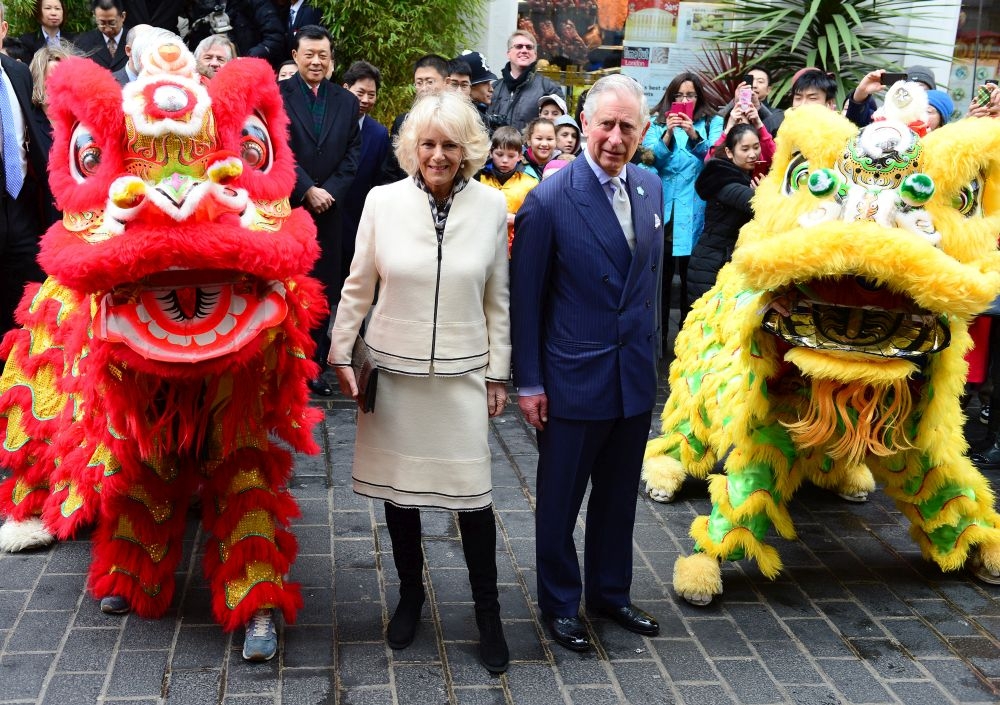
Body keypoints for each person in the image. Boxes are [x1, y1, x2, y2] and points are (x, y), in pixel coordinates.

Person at [329, 90, 511, 674]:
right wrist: (339, 352)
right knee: (400, 496)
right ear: (412, 146)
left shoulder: (490, 206)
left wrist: (498, 372)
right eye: (428, 143)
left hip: (461, 373)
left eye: (450, 144)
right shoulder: (382, 202)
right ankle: (411, 596)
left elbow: (497, 300)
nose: (438, 155)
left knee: (474, 502)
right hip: (394, 373)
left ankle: (489, 615)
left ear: (467, 150)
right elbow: (358, 285)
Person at [510, 74, 663, 653]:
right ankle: (559, 602)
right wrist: (529, 382)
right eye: (606, 124)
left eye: (628, 126)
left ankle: (609, 592)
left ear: (642, 130)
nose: (616, 138)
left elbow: (646, 284)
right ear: (584, 126)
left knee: (619, 498)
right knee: (559, 502)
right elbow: (526, 301)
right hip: (573, 377)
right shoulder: (549, 199)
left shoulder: (650, 187)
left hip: (631, 377)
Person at [279, 24, 361, 395]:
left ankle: (314, 366)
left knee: (324, 292)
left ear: (331, 59)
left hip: (330, 212)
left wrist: (327, 191)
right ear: (295, 56)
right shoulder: (276, 97)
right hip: (289, 211)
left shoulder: (346, 102)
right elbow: (276, 149)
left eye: (322, 55)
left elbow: (352, 155)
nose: (316, 61)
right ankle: (284, 366)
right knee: (288, 288)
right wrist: (306, 188)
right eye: (308, 54)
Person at [640, 72, 719, 342]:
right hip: (662, 210)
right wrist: (669, 134)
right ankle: (656, 342)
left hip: (696, 213)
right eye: (678, 96)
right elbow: (647, 161)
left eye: (690, 95)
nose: (684, 100)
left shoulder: (712, 122)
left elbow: (715, 160)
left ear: (699, 97)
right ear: (670, 98)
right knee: (657, 282)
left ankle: (690, 343)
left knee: (692, 283)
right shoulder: (654, 123)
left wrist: (694, 134)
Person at [0, 0, 51, 338]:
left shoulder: (18, 72)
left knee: (27, 302)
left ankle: (19, 377)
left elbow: (34, 134)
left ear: (3, 30)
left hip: (21, 204)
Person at [686, 124, 761, 306]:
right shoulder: (725, 182)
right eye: (745, 149)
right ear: (729, 152)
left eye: (756, 147)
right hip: (710, 265)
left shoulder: (740, 176)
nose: (752, 154)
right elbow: (759, 205)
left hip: (717, 261)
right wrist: (764, 193)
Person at [340, 60, 390, 282]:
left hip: (359, 219)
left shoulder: (379, 134)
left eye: (372, 94)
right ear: (345, 88)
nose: (365, 100)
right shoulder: (328, 124)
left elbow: (381, 180)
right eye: (360, 92)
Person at [381, 54, 449, 183]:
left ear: (447, 82)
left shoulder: (460, 120)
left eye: (430, 82)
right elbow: (391, 169)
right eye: (419, 83)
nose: (424, 88)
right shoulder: (403, 122)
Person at [476, 125, 538, 255]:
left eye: (511, 156)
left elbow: (536, 219)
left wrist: (517, 219)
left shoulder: (530, 183)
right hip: (482, 248)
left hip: (517, 250)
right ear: (490, 152)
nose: (504, 160)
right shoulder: (479, 179)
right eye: (499, 154)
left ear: (520, 156)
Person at [490, 30, 564, 131]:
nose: (524, 50)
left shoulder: (549, 88)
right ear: (508, 53)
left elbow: (559, 128)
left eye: (529, 47)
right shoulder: (493, 88)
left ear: (535, 54)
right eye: (519, 46)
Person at [182, 0, 284, 68]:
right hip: (209, 69)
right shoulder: (201, 4)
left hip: (246, 69)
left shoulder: (256, 3)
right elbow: (195, 41)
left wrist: (247, 59)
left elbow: (275, 37)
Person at [846, 64, 936, 128]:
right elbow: (856, 121)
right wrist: (861, 92)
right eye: (907, 91)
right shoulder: (882, 120)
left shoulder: (938, 138)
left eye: (921, 90)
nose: (914, 96)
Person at [75, 0, 129, 72]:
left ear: (123, 16)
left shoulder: (134, 41)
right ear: (94, 16)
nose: (107, 29)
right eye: (102, 23)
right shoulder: (83, 42)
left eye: (112, 23)